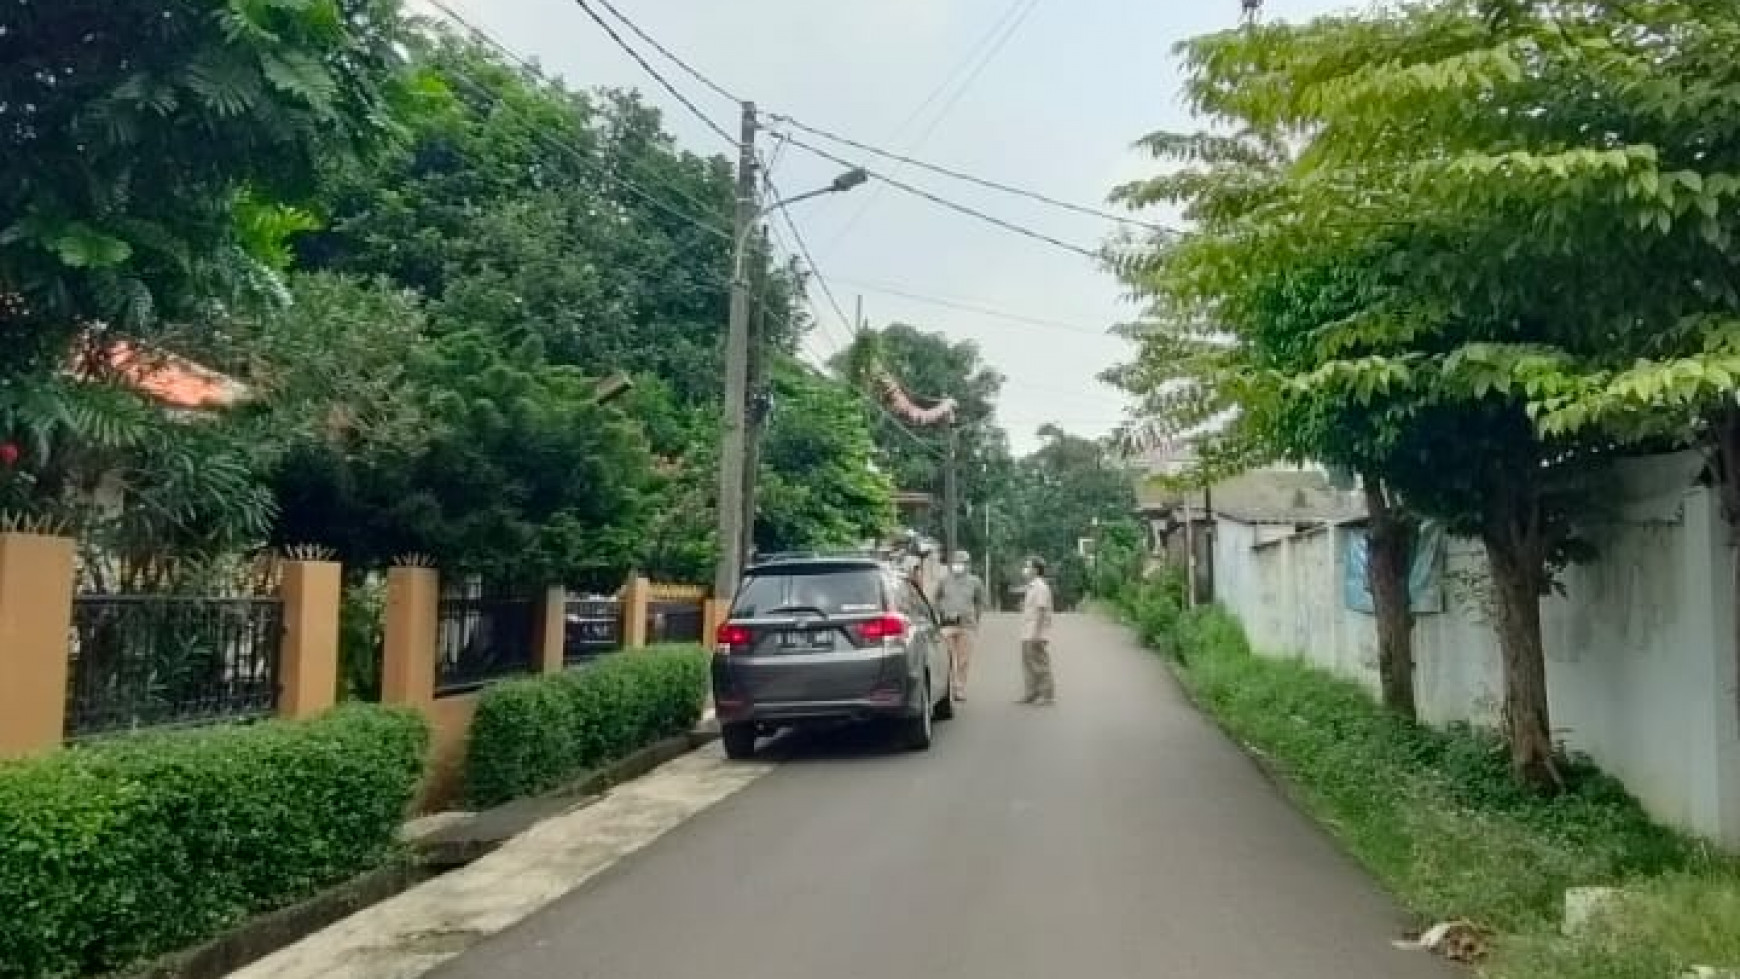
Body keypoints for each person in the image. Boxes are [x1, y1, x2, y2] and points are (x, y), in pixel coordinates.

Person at [934, 550, 988, 701]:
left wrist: (975, 618)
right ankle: (947, 688)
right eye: (956, 562)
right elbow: (936, 599)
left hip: (967, 626)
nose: (958, 565)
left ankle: (960, 689)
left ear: (967, 564)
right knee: (947, 658)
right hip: (947, 625)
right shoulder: (944, 580)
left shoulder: (975, 581)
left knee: (963, 660)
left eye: (962, 562)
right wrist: (942, 611)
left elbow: (981, 602)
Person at [1019, 557, 1056, 706]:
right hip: (1027, 631)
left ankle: (1047, 695)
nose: (1025, 569)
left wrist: (1036, 633)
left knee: (1040, 664)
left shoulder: (1040, 587)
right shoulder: (1032, 586)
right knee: (1028, 663)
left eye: (1028, 566)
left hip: (1035, 632)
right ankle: (1031, 693)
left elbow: (1041, 611)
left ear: (1035, 569)